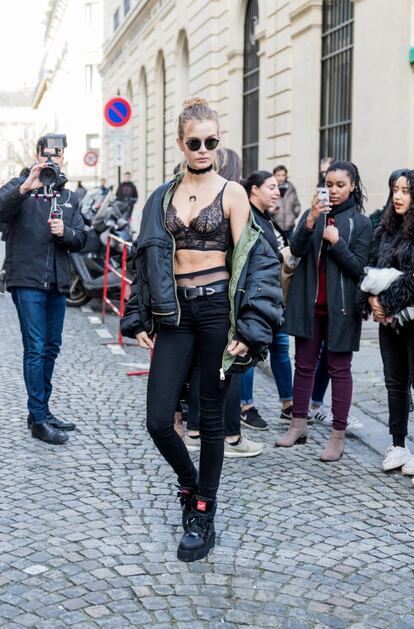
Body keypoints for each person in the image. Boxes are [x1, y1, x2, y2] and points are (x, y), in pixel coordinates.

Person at [120, 97, 283, 562]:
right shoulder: (162, 197)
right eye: (196, 142)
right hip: (175, 317)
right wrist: (139, 316)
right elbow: (146, 256)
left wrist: (250, 327)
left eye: (212, 141)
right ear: (181, 144)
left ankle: (203, 513)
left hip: (216, 314)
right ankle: (190, 484)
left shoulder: (231, 193)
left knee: (211, 420)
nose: (204, 149)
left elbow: (257, 261)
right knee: (158, 420)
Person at [276, 160, 372, 461]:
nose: (333, 190)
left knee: (339, 369)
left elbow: (359, 269)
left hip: (342, 309)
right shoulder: (313, 215)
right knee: (303, 365)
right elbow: (297, 249)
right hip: (309, 305)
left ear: (352, 186)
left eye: (340, 185)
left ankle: (337, 435)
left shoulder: (361, 223)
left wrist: (338, 243)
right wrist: (310, 221)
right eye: (329, 184)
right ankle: (298, 425)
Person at [0, 134, 87, 444]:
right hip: (26, 280)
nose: (53, 159)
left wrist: (66, 233)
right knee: (35, 347)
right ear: (37, 155)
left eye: (58, 154)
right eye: (48, 153)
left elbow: (82, 239)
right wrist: (26, 187)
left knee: (51, 347)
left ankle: (42, 410)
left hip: (58, 281)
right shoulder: (18, 185)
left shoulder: (69, 195)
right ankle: (38, 419)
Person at [181, 148, 264, 459]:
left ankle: (197, 430)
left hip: (207, 300)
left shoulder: (218, 199)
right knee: (225, 369)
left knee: (206, 367)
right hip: (221, 299)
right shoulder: (229, 200)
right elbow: (247, 258)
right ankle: (228, 437)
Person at [358, 169, 414, 476]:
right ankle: (397, 444)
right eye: (395, 189)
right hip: (389, 321)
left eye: (406, 190)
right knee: (394, 382)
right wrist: (371, 302)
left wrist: (387, 300)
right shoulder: (385, 229)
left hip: (411, 318)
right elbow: (368, 271)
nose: (399, 196)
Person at [239, 171, 294, 430]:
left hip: (274, 297)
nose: (277, 192)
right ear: (254, 190)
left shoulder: (268, 218)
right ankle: (245, 406)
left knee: (281, 348)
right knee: (249, 350)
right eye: (271, 187)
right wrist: (280, 256)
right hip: (256, 296)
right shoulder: (246, 216)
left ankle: (288, 404)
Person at [272, 165, 301, 240]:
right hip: (276, 226)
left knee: (290, 248)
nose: (281, 177)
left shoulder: (291, 188)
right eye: (278, 175)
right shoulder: (270, 188)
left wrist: (294, 214)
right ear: (274, 175)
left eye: (283, 175)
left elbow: (297, 204)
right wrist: (271, 211)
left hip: (289, 226)